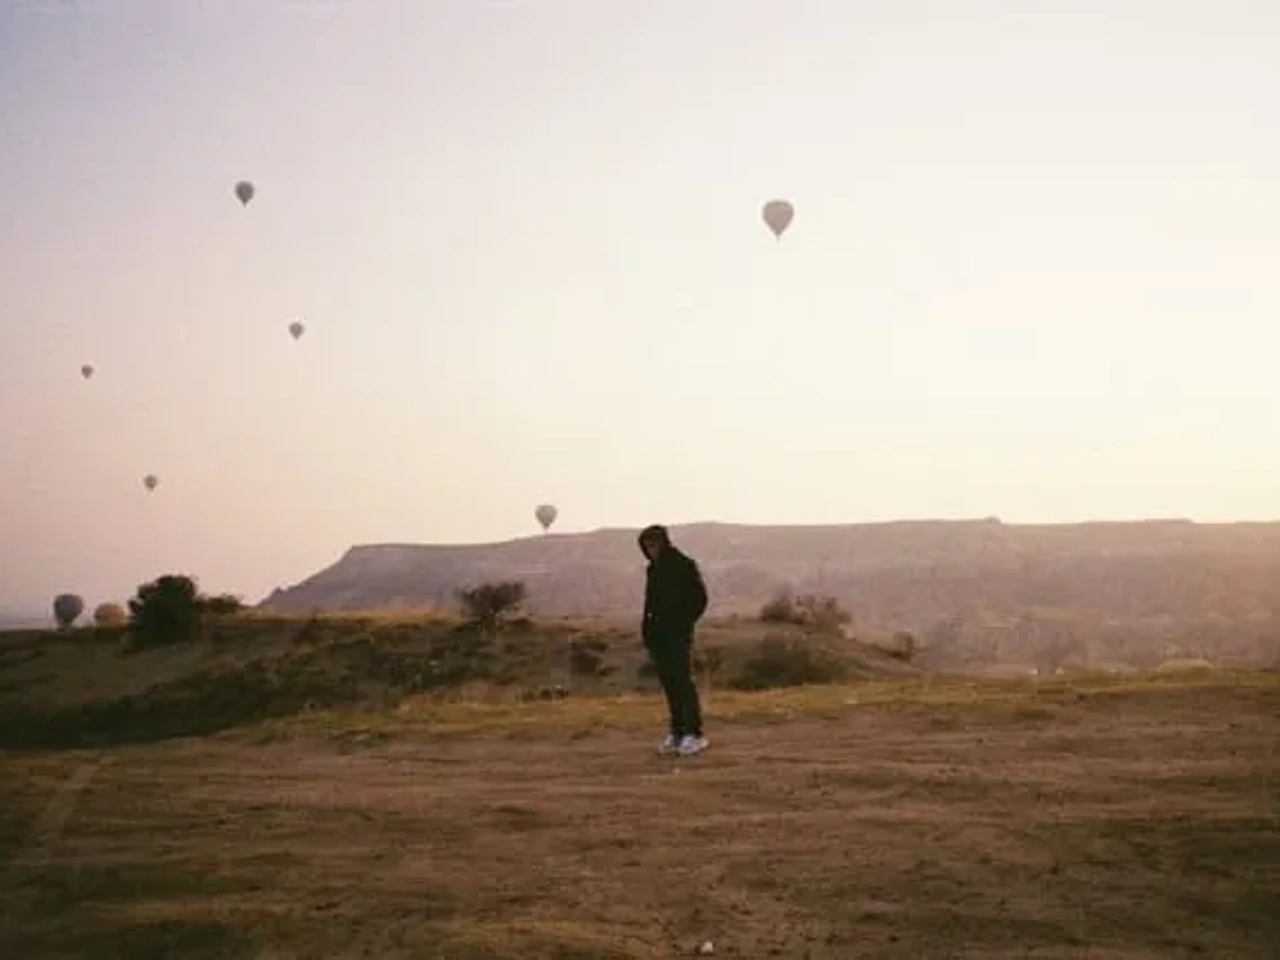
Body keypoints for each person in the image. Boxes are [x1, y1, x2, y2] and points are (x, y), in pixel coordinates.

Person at [638, 524, 710, 756]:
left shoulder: (683, 565)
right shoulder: (653, 569)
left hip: (677, 634)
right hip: (658, 635)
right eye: (647, 546)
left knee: (682, 681)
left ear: (664, 543)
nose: (651, 550)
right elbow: (650, 604)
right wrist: (647, 631)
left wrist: (682, 623)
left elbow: (699, 598)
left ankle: (694, 733)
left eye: (654, 544)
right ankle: (677, 732)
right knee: (670, 684)